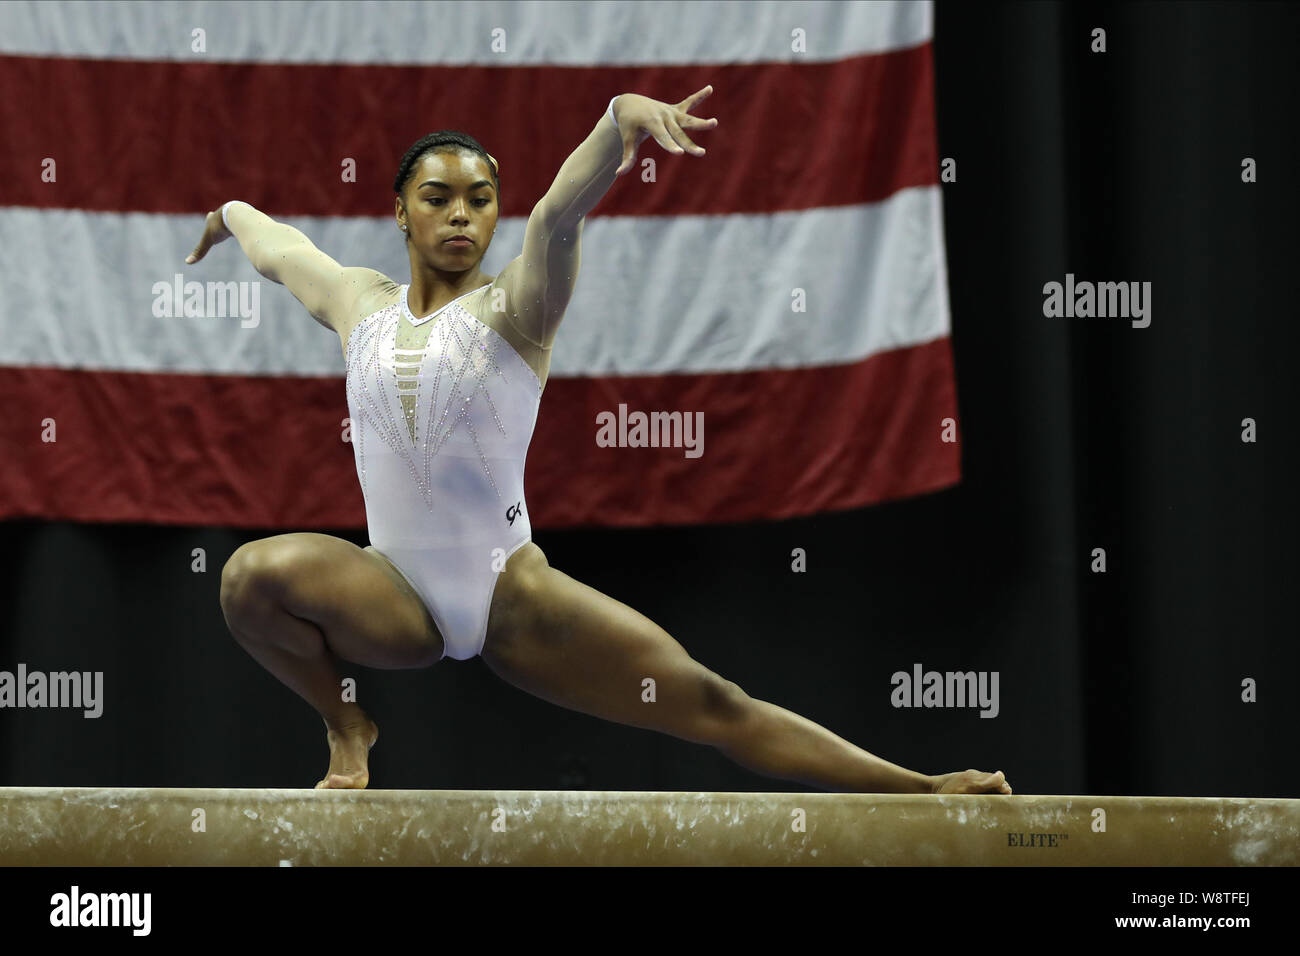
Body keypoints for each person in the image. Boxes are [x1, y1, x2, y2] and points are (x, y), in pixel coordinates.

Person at [191, 86, 1012, 796]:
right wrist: (228, 214)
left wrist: (619, 121)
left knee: (713, 703)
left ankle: (922, 786)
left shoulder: (517, 308)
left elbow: (557, 213)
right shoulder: (358, 304)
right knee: (250, 578)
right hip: (391, 596)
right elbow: (281, 250)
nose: (462, 215)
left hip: (515, 595)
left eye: (480, 199)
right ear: (400, 211)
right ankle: (348, 724)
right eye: (438, 197)